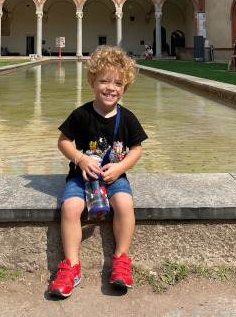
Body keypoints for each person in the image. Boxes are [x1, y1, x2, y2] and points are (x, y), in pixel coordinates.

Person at [49, 45, 148, 298]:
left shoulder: (127, 118)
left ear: (124, 88)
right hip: (82, 177)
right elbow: (63, 141)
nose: (110, 88)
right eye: (104, 81)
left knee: (125, 204)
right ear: (93, 81)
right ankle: (71, 265)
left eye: (117, 83)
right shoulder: (81, 114)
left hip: (114, 176)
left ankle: (121, 259)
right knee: (70, 208)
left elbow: (136, 150)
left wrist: (120, 167)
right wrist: (80, 159)